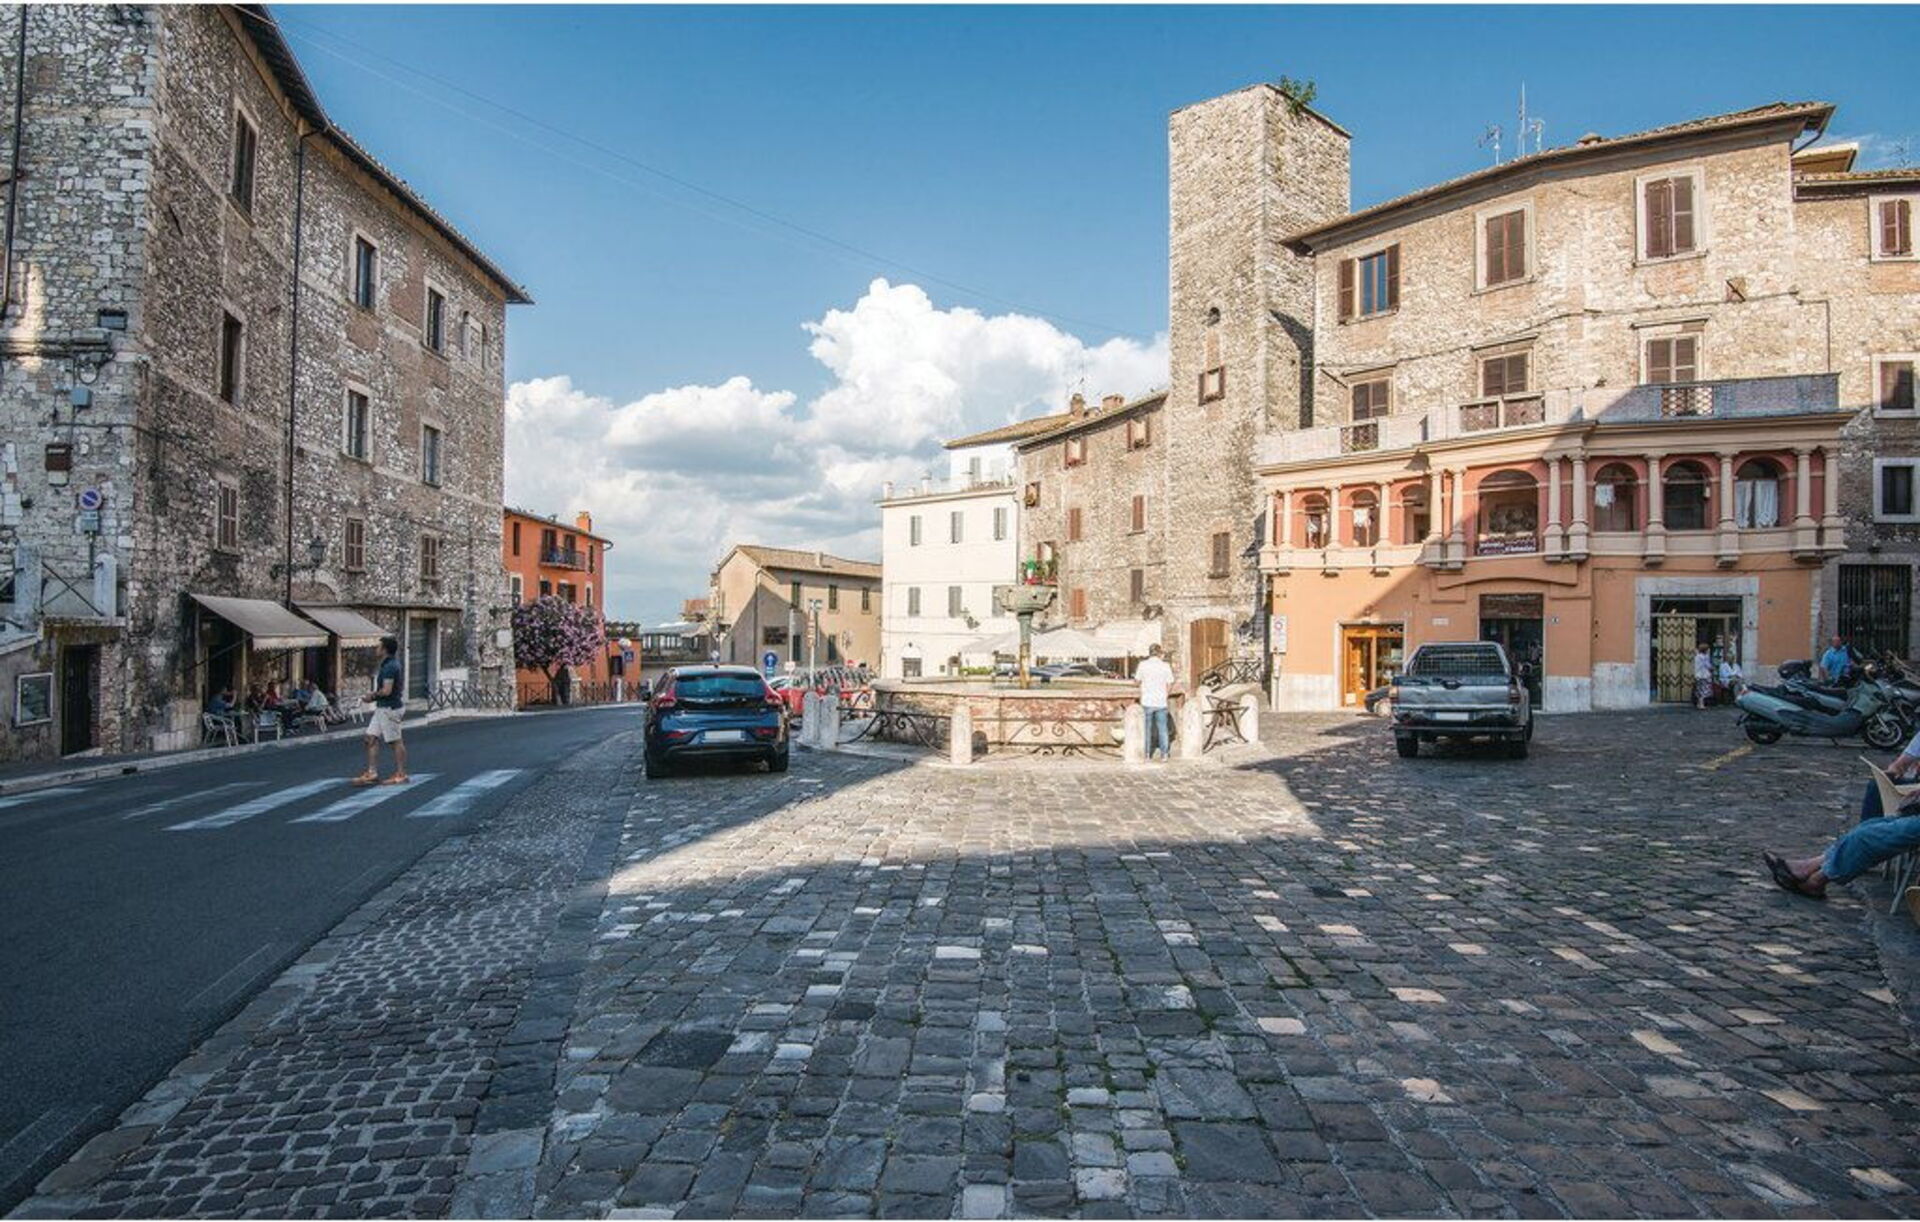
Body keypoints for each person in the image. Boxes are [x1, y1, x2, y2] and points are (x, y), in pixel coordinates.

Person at [354, 637, 408, 785]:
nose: (376, 649)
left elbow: (387, 690)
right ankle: (372, 772)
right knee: (370, 738)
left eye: (379, 647)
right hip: (382, 708)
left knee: (395, 741)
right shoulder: (387, 665)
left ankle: (401, 774)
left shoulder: (390, 666)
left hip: (390, 708)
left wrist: (371, 696)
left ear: (384, 649)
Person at [1136, 644, 1175, 762]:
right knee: (1163, 728)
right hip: (1161, 701)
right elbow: (1170, 683)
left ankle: (1147, 754)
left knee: (1147, 729)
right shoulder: (1165, 666)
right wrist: (1166, 694)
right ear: (1159, 653)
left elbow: (1137, 681)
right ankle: (1164, 754)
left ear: (1149, 652)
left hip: (1147, 700)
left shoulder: (1143, 665)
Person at [1692, 644, 1714, 710]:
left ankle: (1699, 704)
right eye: (1708, 649)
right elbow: (1708, 665)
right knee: (1704, 689)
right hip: (1704, 675)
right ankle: (1701, 704)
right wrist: (1712, 668)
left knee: (1699, 689)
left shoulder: (1697, 657)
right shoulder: (1705, 657)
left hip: (1698, 675)